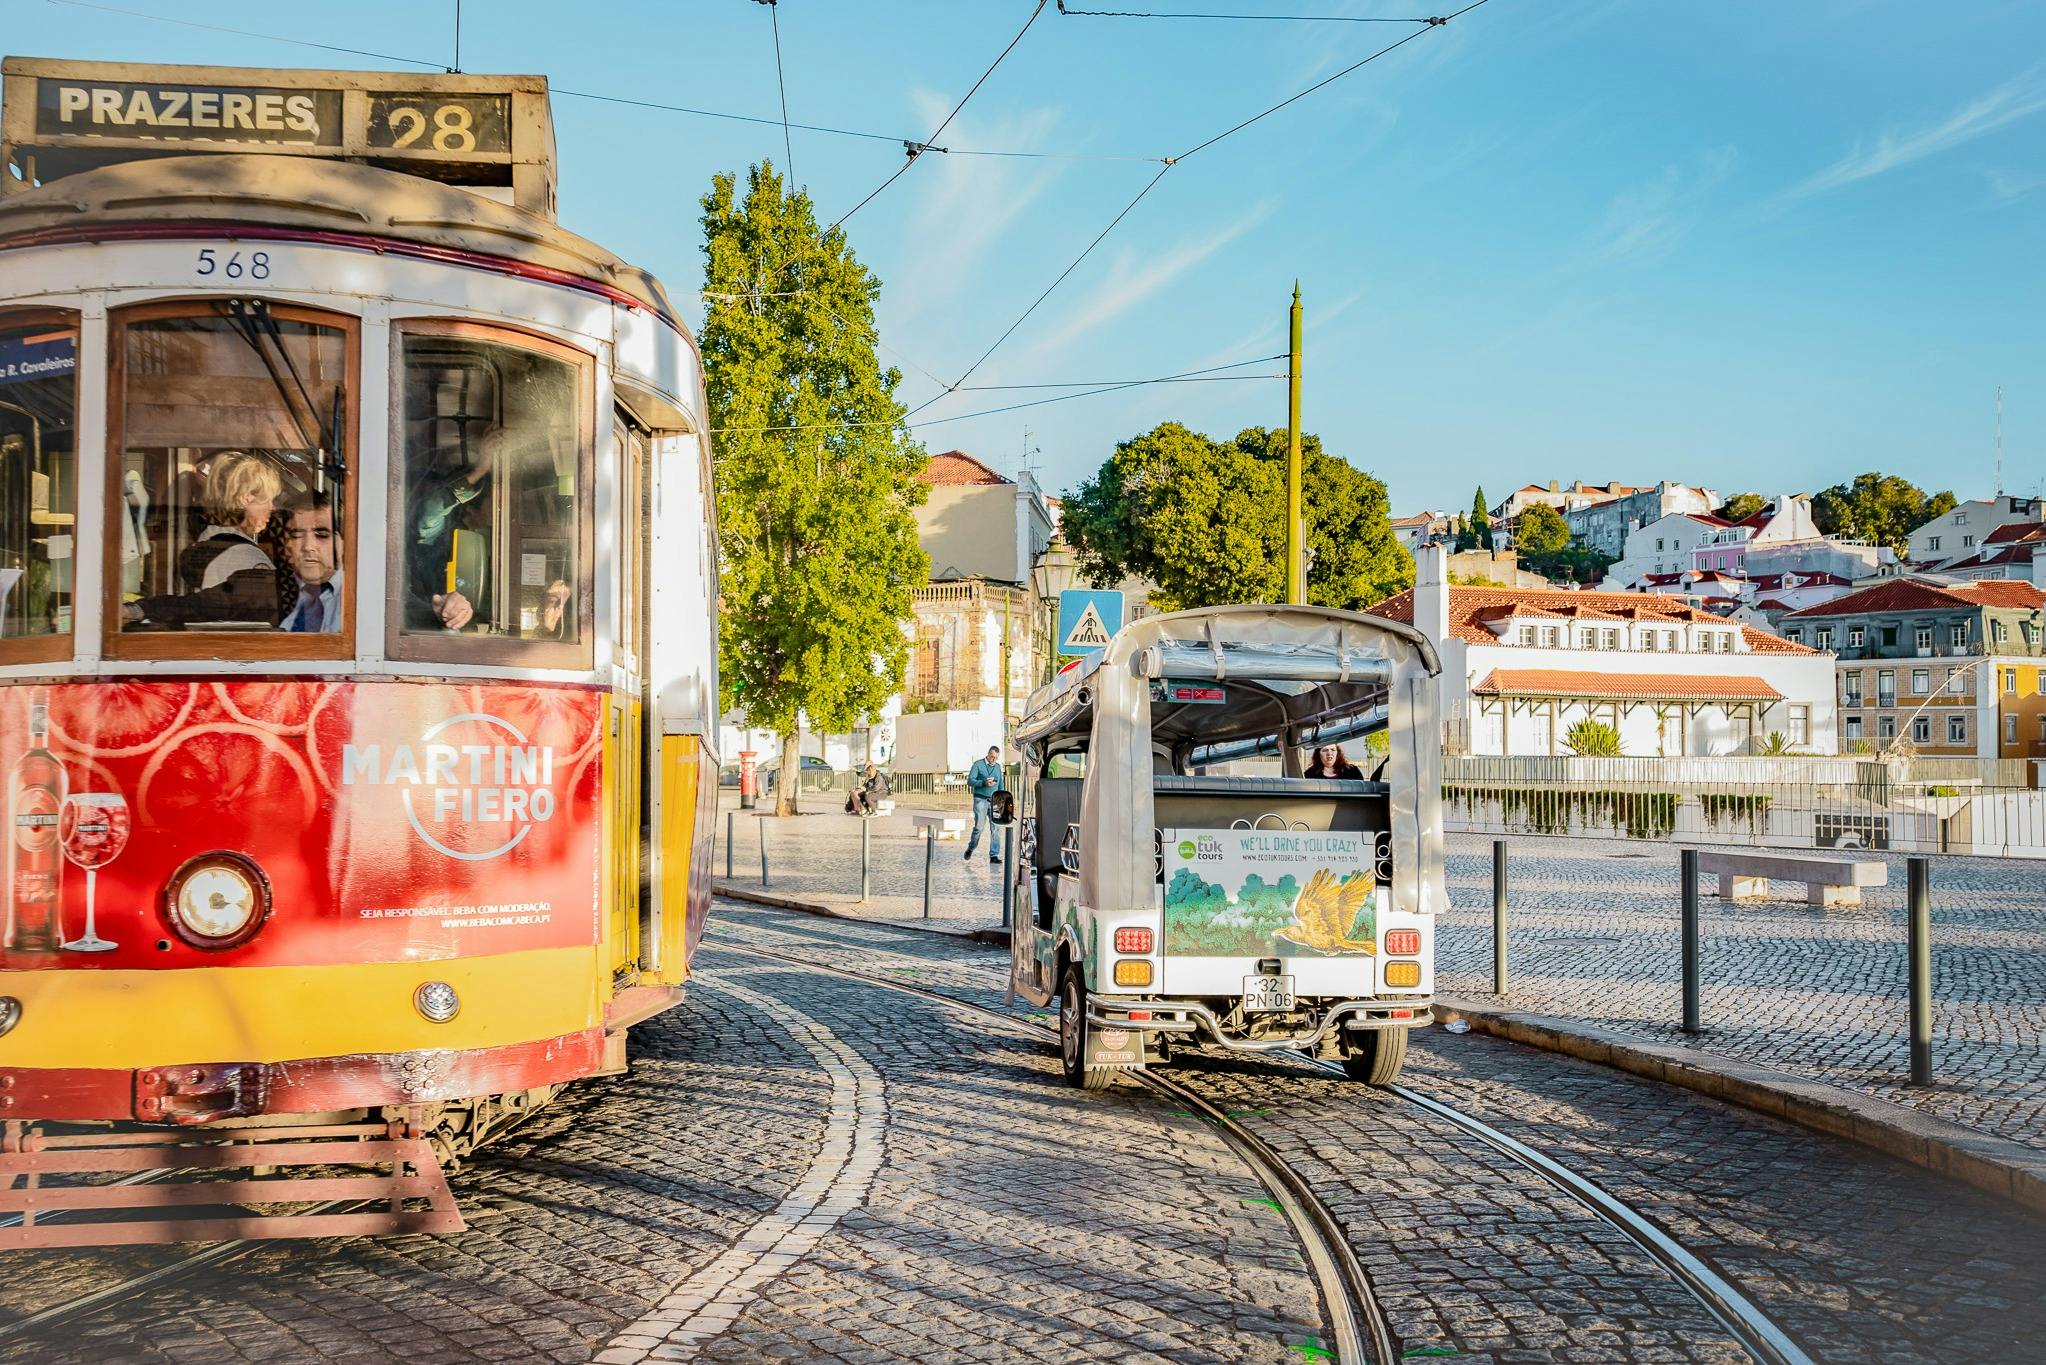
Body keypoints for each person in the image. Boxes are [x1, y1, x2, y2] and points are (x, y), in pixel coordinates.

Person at [126, 451, 280, 627]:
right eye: (267, 500)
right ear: (245, 499)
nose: (272, 508)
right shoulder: (246, 555)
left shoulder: (208, 538)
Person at [411, 427, 502, 631]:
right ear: (470, 510)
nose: (501, 508)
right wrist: (480, 471)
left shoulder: (493, 547)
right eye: (494, 502)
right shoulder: (436, 538)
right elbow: (431, 509)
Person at [277, 490, 341, 632]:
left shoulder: (361, 600)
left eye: (322, 535)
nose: (308, 547)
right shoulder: (283, 592)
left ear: (343, 541)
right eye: (297, 535)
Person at [963, 745, 1004, 864]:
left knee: (996, 828)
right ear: (988, 754)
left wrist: (1002, 799)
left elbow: (1000, 783)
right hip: (980, 799)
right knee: (979, 828)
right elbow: (970, 781)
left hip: (995, 800)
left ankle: (994, 855)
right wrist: (983, 783)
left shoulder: (997, 767)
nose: (993, 760)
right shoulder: (978, 765)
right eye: (992, 757)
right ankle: (971, 848)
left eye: (996, 758)